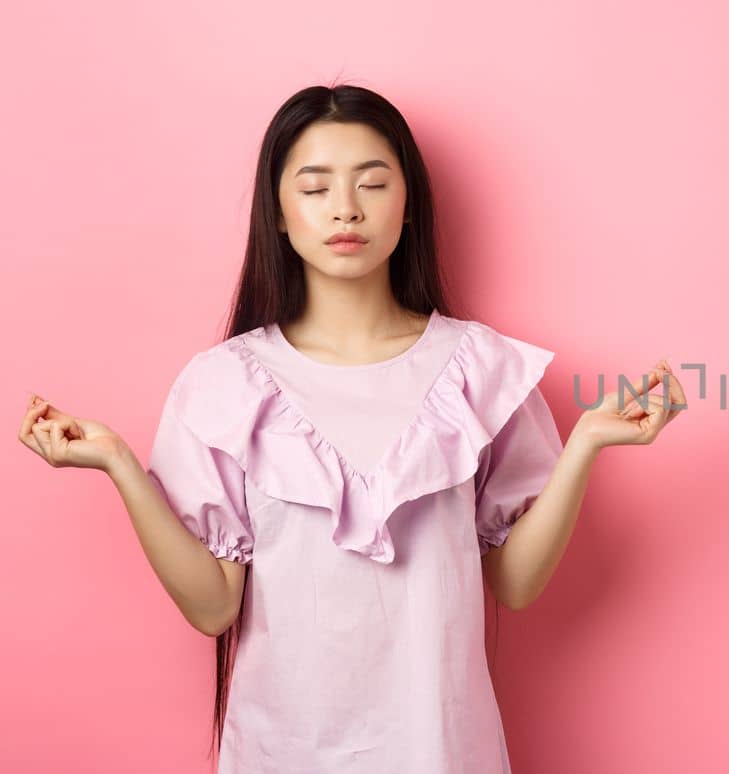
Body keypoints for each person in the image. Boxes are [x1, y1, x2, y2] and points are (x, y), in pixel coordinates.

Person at [15, 83, 686, 773]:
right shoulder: (223, 385)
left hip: (443, 751)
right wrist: (119, 464)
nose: (346, 209)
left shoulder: (479, 370)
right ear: (276, 213)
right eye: (314, 187)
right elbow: (214, 607)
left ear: (408, 203)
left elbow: (514, 584)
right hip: (284, 752)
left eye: (372, 182)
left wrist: (587, 447)